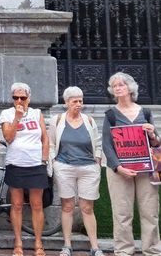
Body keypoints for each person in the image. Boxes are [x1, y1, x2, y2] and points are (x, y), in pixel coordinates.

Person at [102, 72, 161, 256]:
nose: (118, 88)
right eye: (114, 86)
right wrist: (118, 167)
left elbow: (157, 143)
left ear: (130, 88)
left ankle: (152, 251)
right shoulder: (110, 115)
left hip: (145, 168)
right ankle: (123, 251)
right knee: (122, 213)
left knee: (150, 212)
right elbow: (106, 144)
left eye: (121, 84)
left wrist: (152, 134)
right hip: (120, 170)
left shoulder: (145, 112)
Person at [48, 86, 103, 256]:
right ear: (66, 103)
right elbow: (51, 144)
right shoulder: (57, 120)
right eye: (75, 101)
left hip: (88, 168)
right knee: (68, 206)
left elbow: (97, 143)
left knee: (87, 207)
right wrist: (53, 163)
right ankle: (67, 245)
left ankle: (95, 247)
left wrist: (98, 161)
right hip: (64, 167)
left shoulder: (89, 120)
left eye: (81, 101)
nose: (79, 104)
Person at [0, 82, 49, 256]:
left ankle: (38, 242)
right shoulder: (7, 114)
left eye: (23, 97)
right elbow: (8, 137)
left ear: (29, 97)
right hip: (16, 162)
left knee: (37, 204)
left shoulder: (36, 113)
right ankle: (18, 242)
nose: (19, 100)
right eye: (15, 97)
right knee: (17, 204)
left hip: (36, 163)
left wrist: (44, 159)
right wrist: (17, 118)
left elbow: (45, 137)